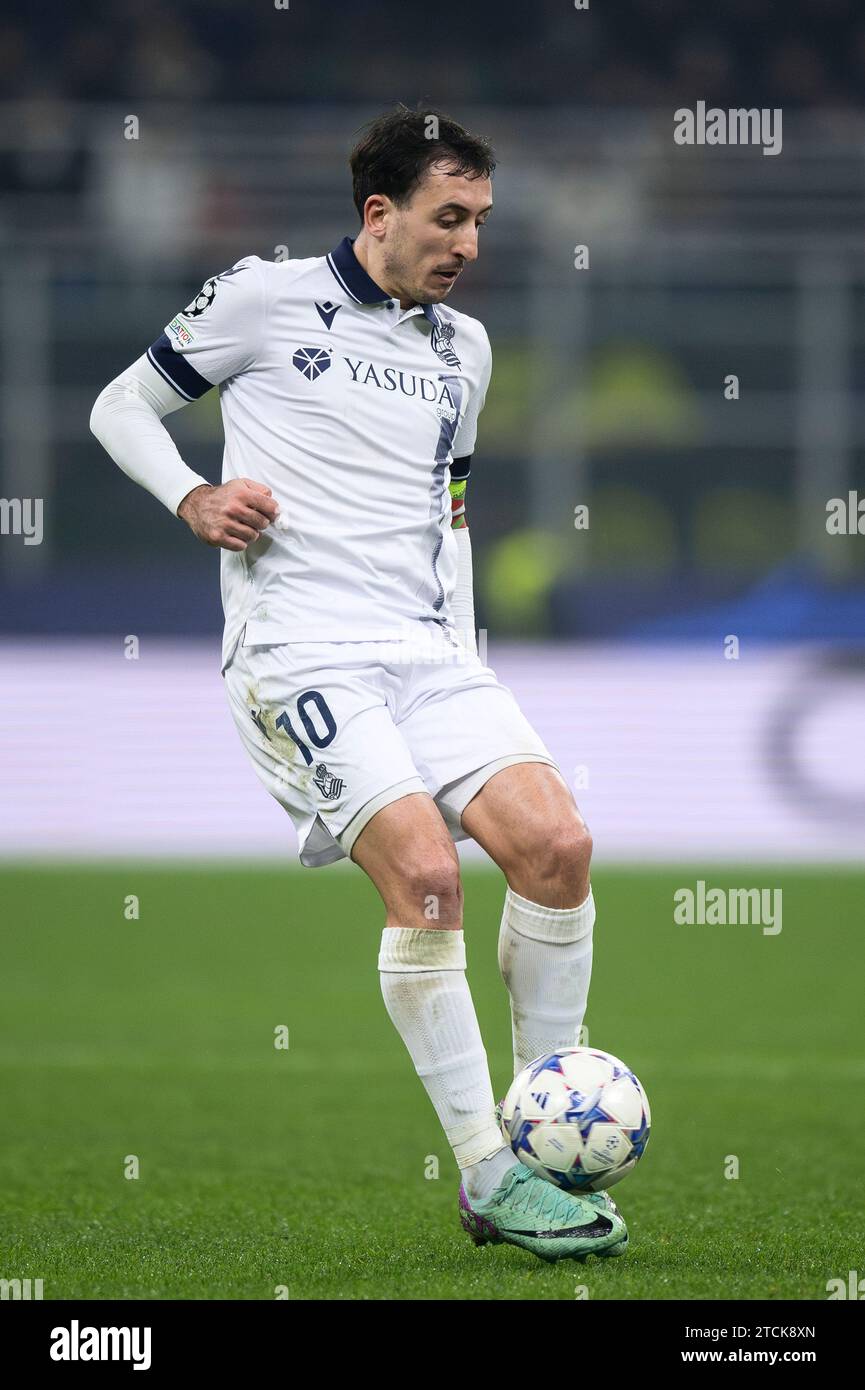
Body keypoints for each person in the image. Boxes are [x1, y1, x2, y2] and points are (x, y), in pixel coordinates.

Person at [90, 103, 626, 1263]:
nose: (469, 245)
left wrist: (467, 650)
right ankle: (488, 1172)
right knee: (428, 878)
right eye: (449, 218)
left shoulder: (462, 351)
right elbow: (119, 404)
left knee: (558, 848)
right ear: (378, 214)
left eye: (481, 221)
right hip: (302, 649)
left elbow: (451, 515)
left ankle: (549, 1123)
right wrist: (191, 496)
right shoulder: (263, 298)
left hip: (431, 650)